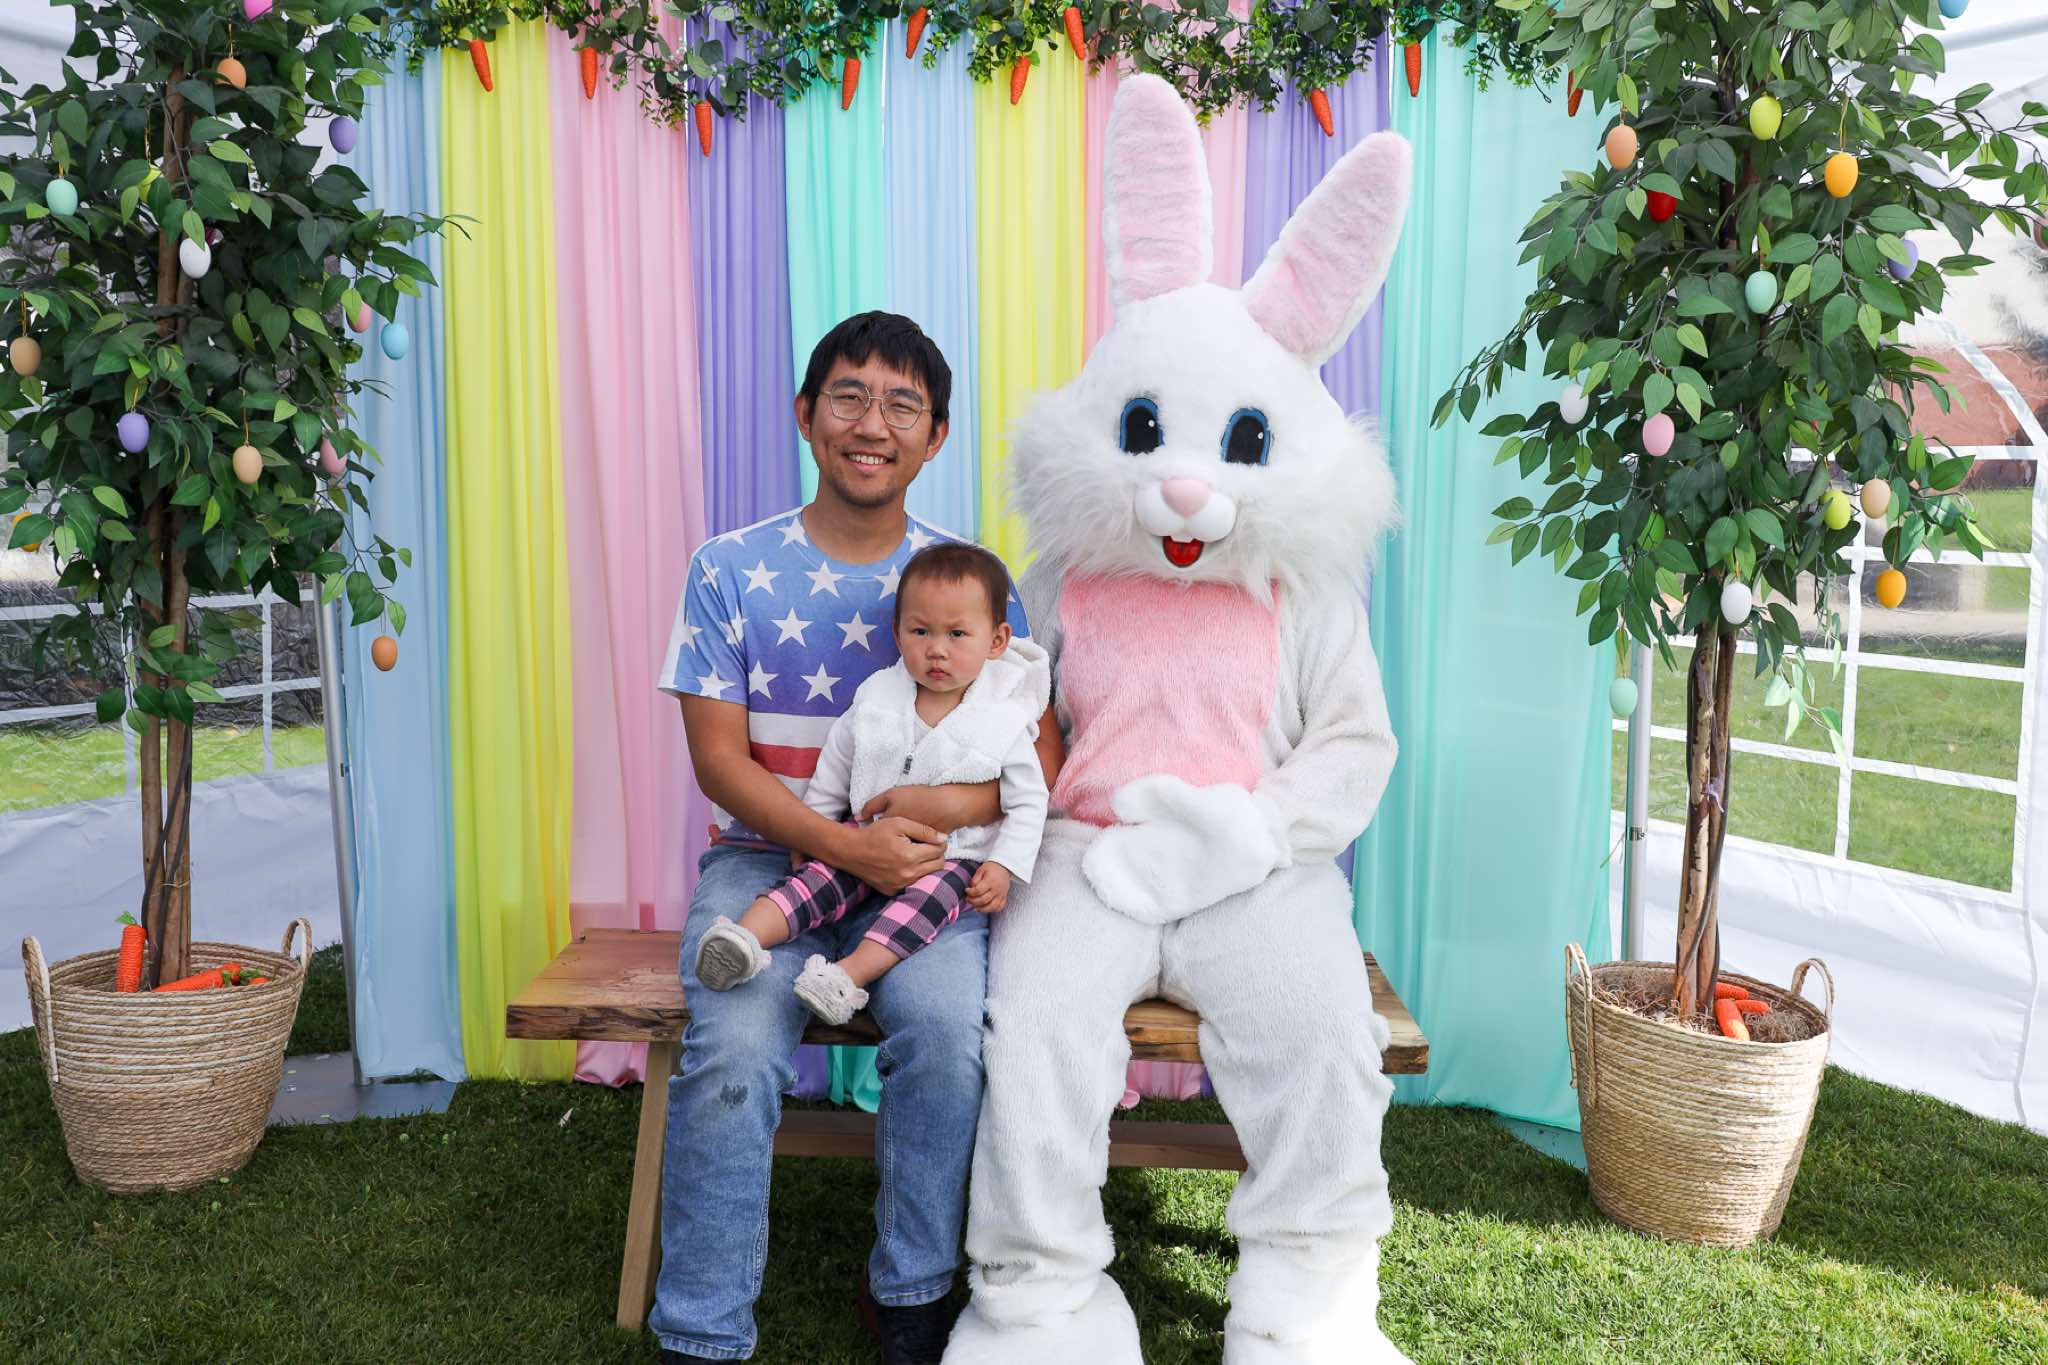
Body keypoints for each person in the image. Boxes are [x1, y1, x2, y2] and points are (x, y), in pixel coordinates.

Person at [653, 311, 1057, 1365]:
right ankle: (701, 1328)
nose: (872, 423)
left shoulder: (968, 580)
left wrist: (925, 822)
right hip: (764, 863)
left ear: (934, 435)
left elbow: (1036, 759)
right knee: (734, 1045)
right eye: (848, 396)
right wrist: (844, 848)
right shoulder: (727, 568)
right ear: (805, 414)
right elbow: (719, 762)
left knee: (948, 1038)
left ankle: (912, 1293)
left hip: (927, 875)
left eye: (902, 405)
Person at [694, 542, 1051, 1027]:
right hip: (866, 835)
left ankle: (846, 976)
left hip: (950, 856)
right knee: (814, 881)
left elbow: (1029, 800)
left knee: (923, 909)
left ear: (996, 640)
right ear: (897, 633)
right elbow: (837, 764)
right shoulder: (878, 698)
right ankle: (741, 938)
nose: (937, 649)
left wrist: (1004, 865)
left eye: (957, 634)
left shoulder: (1002, 720)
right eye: (920, 631)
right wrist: (815, 829)